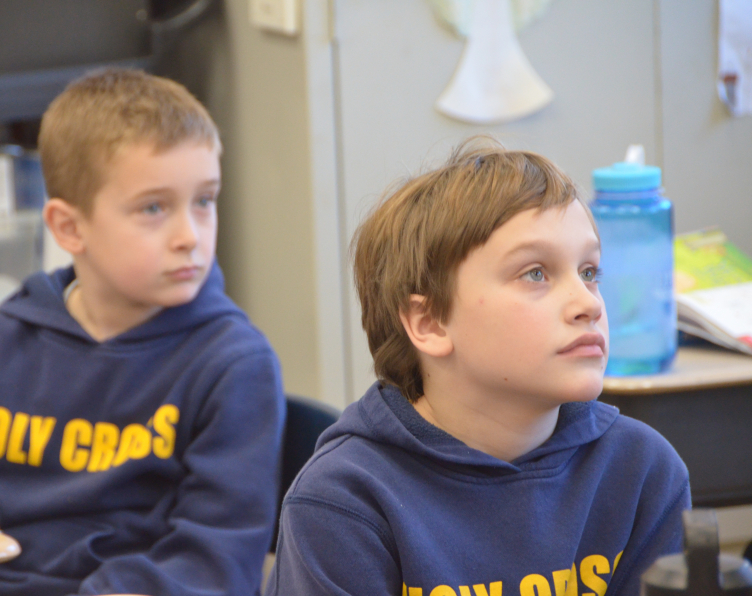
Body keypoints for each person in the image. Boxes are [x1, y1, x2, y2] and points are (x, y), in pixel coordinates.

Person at [0, 68, 285, 596]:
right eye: (154, 208)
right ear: (69, 227)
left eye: (204, 200)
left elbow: (214, 563)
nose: (190, 236)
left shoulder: (234, 363)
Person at [266, 138, 690, 596]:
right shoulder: (343, 503)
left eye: (589, 272)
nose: (586, 303)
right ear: (429, 323)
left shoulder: (642, 471)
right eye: (536, 273)